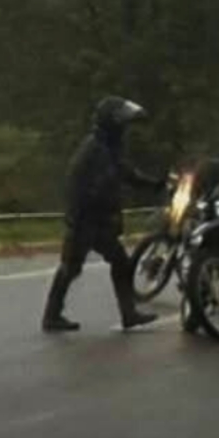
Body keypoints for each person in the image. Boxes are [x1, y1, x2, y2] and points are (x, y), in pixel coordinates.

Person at [42, 96, 163, 333]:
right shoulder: (96, 149)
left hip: (94, 220)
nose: (126, 129)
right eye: (123, 124)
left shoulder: (106, 146)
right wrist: (103, 212)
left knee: (115, 262)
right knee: (72, 267)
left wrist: (152, 184)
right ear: (113, 123)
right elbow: (98, 186)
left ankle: (128, 313)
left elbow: (125, 172)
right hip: (87, 220)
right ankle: (52, 316)